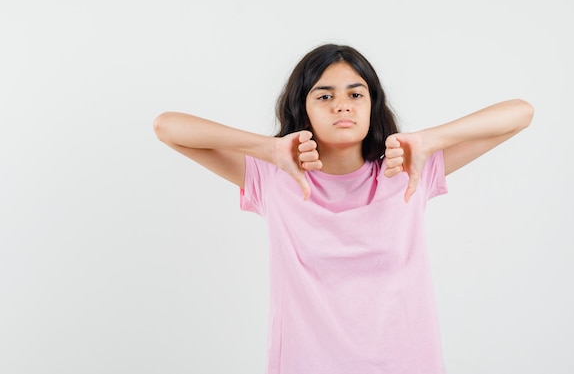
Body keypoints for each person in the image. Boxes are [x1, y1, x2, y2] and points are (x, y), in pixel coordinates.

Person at [153, 44, 534, 374]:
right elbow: (167, 127)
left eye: (356, 95)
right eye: (324, 96)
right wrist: (268, 149)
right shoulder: (273, 179)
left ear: (373, 105)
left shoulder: (408, 170)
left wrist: (429, 140)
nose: (342, 106)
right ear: (302, 108)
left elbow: (520, 113)